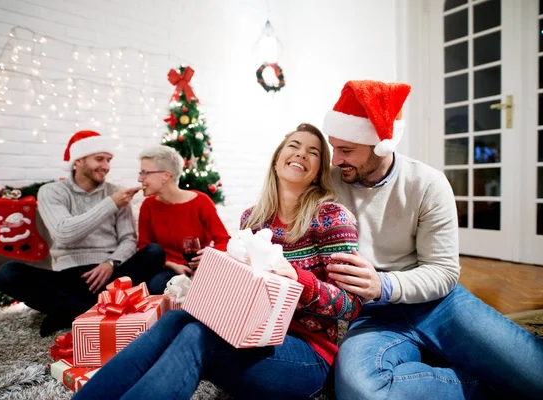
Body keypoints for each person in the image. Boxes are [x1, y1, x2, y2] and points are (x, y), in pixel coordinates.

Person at [73, 123, 362, 400]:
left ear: (318, 171)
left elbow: (351, 305)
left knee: (198, 337)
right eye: (294, 146)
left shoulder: (331, 217)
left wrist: (297, 278)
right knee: (178, 318)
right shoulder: (253, 218)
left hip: (306, 355)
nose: (301, 153)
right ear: (276, 161)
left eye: (313, 152)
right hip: (249, 332)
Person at [322, 80, 543, 399]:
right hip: (371, 315)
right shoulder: (329, 184)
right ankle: (487, 385)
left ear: (379, 145)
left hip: (439, 304)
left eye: (346, 150)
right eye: (333, 147)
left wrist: (383, 285)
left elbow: (443, 272)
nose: (335, 160)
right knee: (360, 390)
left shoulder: (427, 184)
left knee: (534, 373)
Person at [0, 130, 166, 337]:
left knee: (154, 252)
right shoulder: (52, 191)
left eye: (108, 160)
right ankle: (95, 310)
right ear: (78, 161)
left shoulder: (116, 191)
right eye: (99, 159)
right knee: (8, 274)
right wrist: (110, 204)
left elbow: (128, 239)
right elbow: (64, 233)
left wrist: (111, 263)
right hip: (70, 276)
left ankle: (69, 311)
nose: (106, 166)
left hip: (111, 275)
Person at [136, 145, 230, 293]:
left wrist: (209, 255)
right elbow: (144, 248)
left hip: (201, 269)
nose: (139, 178)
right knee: (156, 286)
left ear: (165, 176)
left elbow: (224, 240)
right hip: (167, 271)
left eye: (145, 173)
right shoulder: (148, 206)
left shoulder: (201, 202)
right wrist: (171, 264)